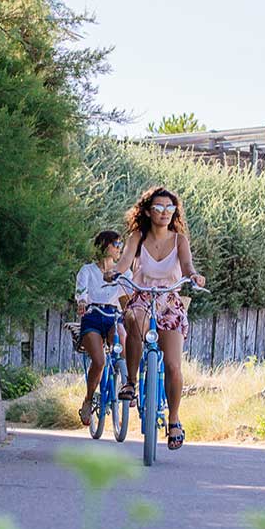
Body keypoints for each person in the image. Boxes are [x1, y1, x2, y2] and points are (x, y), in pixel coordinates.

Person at [108, 186, 206, 450]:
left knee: (174, 365)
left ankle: (174, 420)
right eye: (159, 208)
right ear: (148, 211)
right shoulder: (137, 237)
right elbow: (125, 262)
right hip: (143, 295)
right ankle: (131, 382)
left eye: (170, 208)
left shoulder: (179, 240)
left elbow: (187, 266)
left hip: (170, 302)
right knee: (133, 319)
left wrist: (194, 276)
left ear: (174, 212)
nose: (165, 213)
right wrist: (115, 272)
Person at [75, 230, 131, 426]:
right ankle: (89, 399)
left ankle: (128, 385)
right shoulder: (87, 270)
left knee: (124, 342)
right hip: (92, 316)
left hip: (114, 316)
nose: (120, 249)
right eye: (116, 244)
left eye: (121, 245)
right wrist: (82, 302)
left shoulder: (124, 272)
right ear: (105, 246)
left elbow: (128, 299)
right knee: (99, 361)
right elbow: (81, 293)